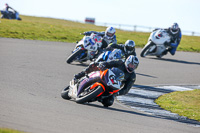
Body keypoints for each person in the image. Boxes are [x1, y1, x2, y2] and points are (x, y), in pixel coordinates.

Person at [74, 55, 139, 106]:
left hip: (114, 86)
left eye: (134, 66)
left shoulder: (132, 76)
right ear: (127, 62)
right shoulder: (120, 62)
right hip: (107, 76)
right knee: (93, 65)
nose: (132, 67)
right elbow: (109, 63)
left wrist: (117, 93)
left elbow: (126, 89)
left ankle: (94, 97)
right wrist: (103, 64)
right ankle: (79, 76)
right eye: (131, 65)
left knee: (109, 102)